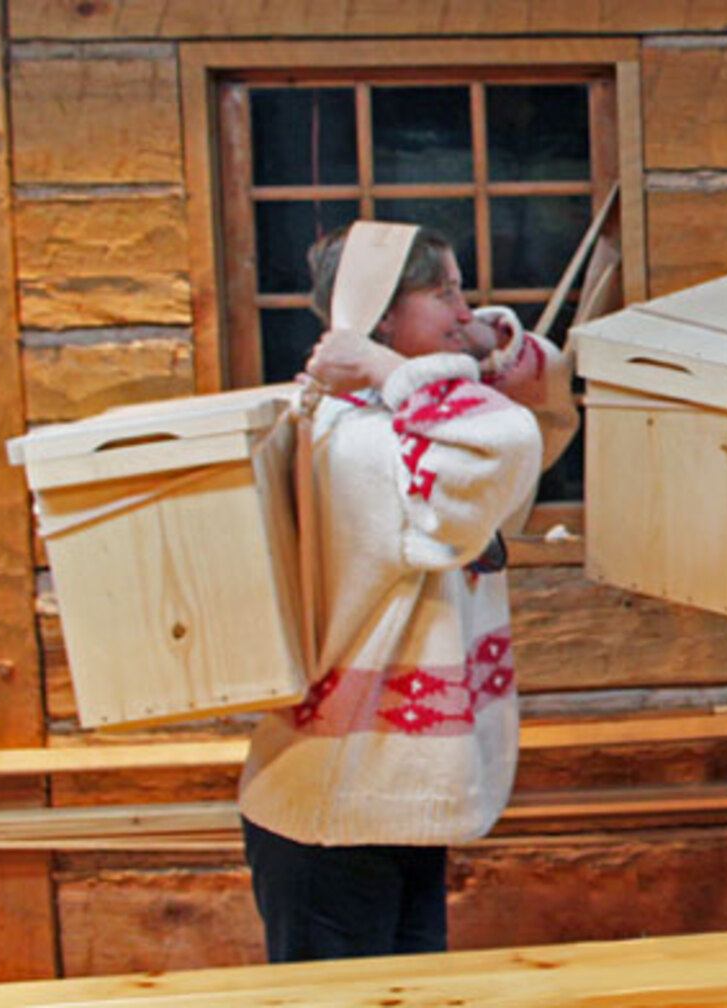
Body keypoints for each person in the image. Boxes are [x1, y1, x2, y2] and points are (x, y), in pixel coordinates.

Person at [237, 224, 563, 961]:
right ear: (384, 315)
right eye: (442, 290)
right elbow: (507, 443)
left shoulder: (399, 423)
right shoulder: (357, 442)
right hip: (333, 803)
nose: (463, 305)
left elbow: (536, 425)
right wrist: (394, 369)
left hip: (378, 800)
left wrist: (478, 343)